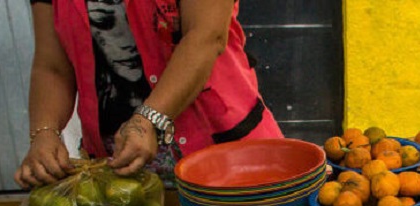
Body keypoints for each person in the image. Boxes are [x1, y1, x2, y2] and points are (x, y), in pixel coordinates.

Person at [16, 0, 283, 188]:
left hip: (219, 149)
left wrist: (148, 120)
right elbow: (52, 67)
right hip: (119, 166)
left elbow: (206, 36)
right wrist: (45, 132)